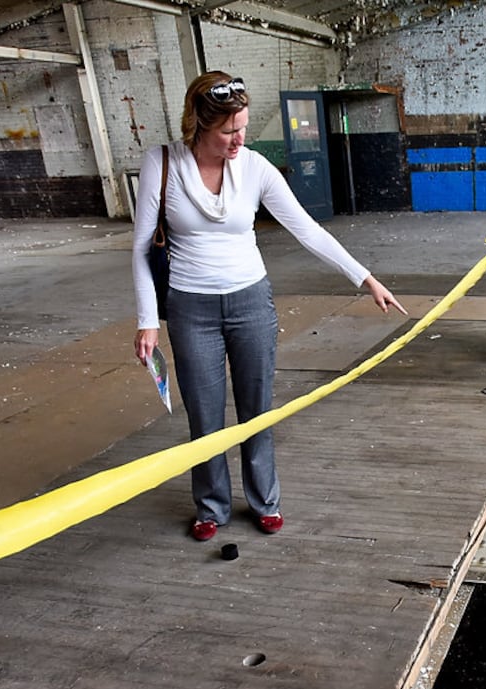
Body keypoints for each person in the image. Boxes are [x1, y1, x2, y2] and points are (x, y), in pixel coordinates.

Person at [132, 70, 406, 542]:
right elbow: (140, 248)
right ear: (198, 123)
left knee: (257, 410)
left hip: (251, 302)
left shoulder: (255, 167)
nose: (238, 138)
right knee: (205, 414)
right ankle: (211, 507)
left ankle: (265, 500)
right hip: (189, 307)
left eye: (242, 127)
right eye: (227, 131)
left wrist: (364, 277)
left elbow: (308, 230)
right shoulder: (161, 164)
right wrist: (146, 321)